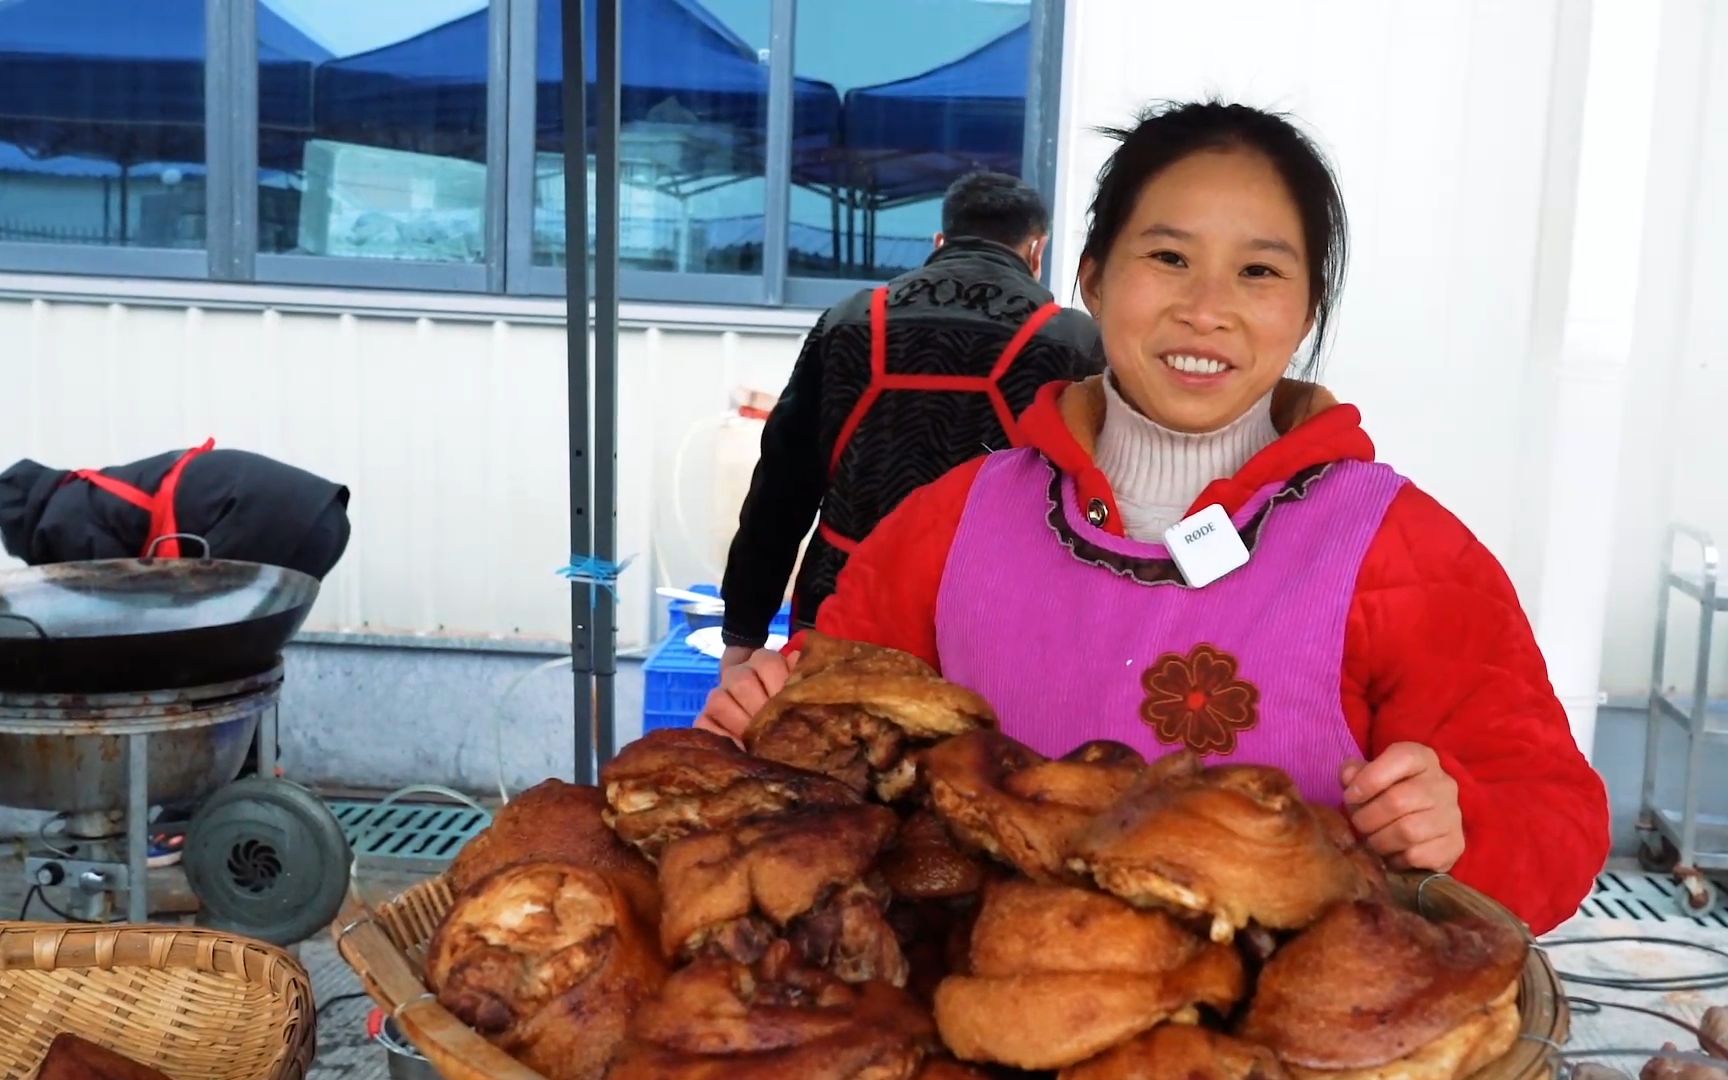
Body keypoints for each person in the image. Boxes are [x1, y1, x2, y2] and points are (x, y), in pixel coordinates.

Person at [698, 101, 1610, 935]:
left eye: (1259, 271)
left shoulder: (1402, 553)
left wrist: (1461, 827)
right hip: (975, 1029)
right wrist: (759, 725)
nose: (1206, 309)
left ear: (1306, 311)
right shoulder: (951, 523)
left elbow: (1556, 818)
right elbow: (824, 746)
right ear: (1091, 278)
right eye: (1168, 257)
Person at [718, 171, 1101, 666]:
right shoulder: (1073, 341)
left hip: (839, 613)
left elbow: (781, 488)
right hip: (992, 618)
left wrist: (743, 630)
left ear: (940, 240)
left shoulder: (851, 321)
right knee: (982, 747)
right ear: (1036, 250)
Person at [0, 440, 350, 579]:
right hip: (327, 515)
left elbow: (109, 598)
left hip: (271, 514)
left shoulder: (62, 521)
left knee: (216, 652)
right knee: (241, 656)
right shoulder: (84, 496)